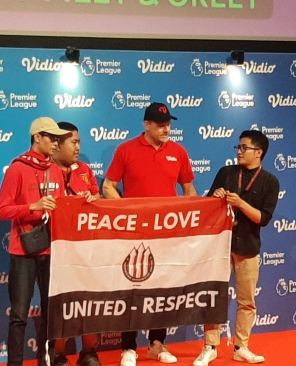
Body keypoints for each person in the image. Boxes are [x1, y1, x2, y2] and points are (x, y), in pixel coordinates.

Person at [102, 102, 197, 366]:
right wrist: (128, 213)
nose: (166, 128)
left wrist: (190, 218)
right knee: (132, 288)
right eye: (160, 124)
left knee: (163, 288)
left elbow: (189, 190)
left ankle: (157, 343)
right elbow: (108, 186)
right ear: (147, 125)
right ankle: (128, 347)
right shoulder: (126, 150)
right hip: (134, 234)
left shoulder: (178, 152)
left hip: (168, 234)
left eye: (168, 124)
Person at [0, 116, 94, 366]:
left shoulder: (54, 169)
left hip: (52, 250)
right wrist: (33, 206)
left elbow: (61, 206)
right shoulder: (18, 167)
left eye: (57, 138)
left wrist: (83, 200)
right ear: (36, 137)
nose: (55, 142)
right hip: (23, 251)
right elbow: (2, 210)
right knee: (19, 315)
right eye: (50, 137)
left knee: (51, 314)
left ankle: (46, 362)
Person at [193, 130, 279, 366]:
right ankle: (210, 346)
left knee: (247, 301)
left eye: (244, 148)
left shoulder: (270, 181)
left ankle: (242, 347)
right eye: (238, 148)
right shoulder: (226, 172)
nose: (239, 152)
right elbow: (209, 206)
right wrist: (217, 196)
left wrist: (240, 203)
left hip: (249, 246)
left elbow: (263, 218)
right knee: (214, 298)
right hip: (220, 246)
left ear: (258, 152)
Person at [50, 121, 102, 366]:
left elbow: (98, 198)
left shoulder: (85, 170)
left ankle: (88, 352)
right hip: (57, 251)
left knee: (90, 302)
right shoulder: (46, 171)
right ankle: (58, 354)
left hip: (87, 250)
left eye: (79, 141)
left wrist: (93, 198)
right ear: (57, 144)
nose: (78, 147)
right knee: (61, 304)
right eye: (74, 142)